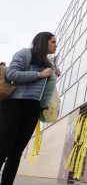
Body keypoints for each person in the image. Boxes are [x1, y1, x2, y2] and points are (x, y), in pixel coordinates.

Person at [0, 32, 60, 185]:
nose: (56, 45)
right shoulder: (25, 53)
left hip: (33, 107)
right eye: (52, 42)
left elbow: (45, 89)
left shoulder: (49, 62)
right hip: (14, 104)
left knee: (17, 152)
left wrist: (53, 75)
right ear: (43, 42)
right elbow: (12, 74)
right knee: (4, 147)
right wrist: (39, 74)